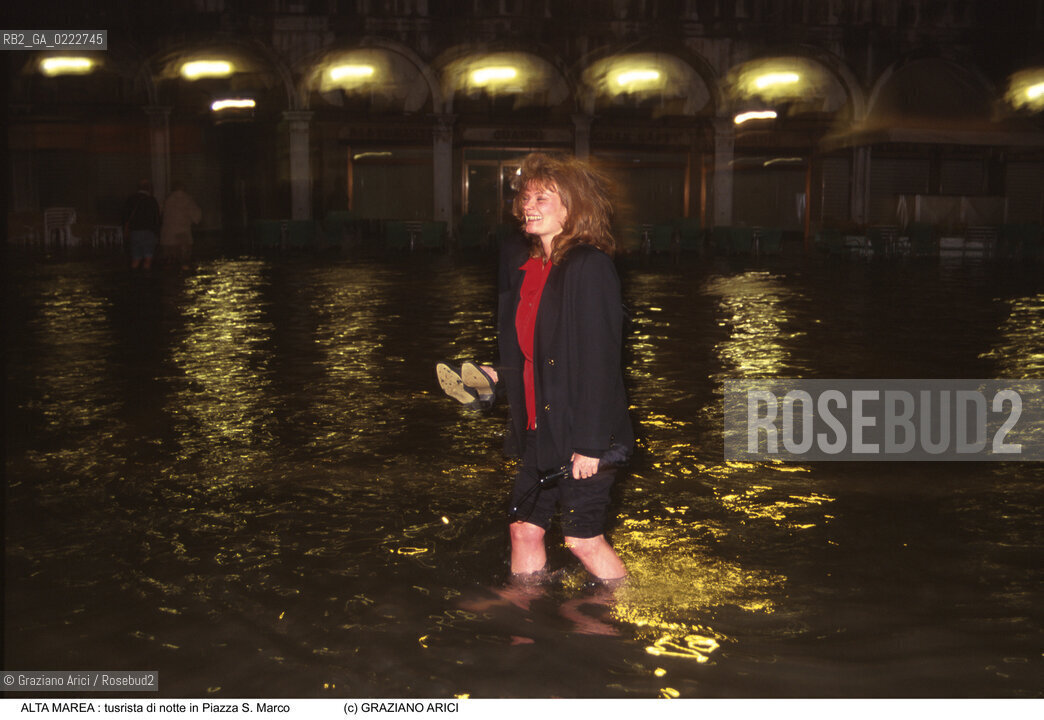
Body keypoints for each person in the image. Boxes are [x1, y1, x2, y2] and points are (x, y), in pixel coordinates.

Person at [497, 152, 634, 586]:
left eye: (542, 198)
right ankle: (524, 609)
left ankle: (626, 608)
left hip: (583, 433)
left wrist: (590, 446)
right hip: (541, 429)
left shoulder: (589, 267)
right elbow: (536, 351)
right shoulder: (528, 268)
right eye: (526, 197)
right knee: (523, 529)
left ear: (572, 209)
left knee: (582, 540)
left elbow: (600, 362)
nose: (528, 206)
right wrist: (499, 373)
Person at [160, 181, 203, 270]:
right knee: (184, 262)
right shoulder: (188, 199)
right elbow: (197, 216)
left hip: (167, 237)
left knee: (169, 263)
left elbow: (159, 213)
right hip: (183, 236)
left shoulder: (167, 199)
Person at [123, 179, 161, 270]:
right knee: (148, 259)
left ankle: (134, 276)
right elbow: (156, 218)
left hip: (135, 232)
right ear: (149, 188)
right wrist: (157, 233)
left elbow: (125, 216)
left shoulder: (131, 199)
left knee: (136, 259)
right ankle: (146, 276)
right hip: (149, 232)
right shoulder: (152, 200)